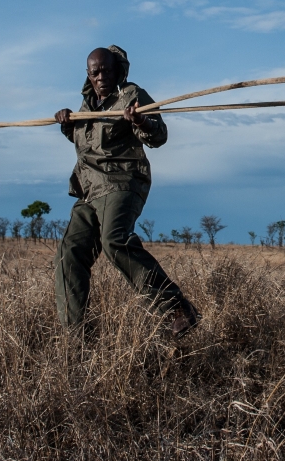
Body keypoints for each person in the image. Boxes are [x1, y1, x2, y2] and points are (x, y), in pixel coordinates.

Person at [53, 45, 200, 336]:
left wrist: (140, 121)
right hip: (89, 189)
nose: (102, 76)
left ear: (117, 69)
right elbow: (87, 144)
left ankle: (177, 309)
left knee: (114, 239)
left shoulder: (131, 95)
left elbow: (159, 136)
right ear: (88, 75)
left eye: (107, 69)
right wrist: (67, 124)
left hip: (122, 181)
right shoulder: (86, 107)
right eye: (95, 72)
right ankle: (75, 335)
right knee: (69, 253)